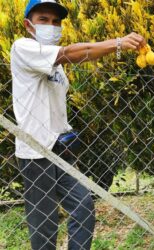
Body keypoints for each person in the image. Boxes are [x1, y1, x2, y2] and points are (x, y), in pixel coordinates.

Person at [10, 0, 146, 249]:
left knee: (83, 207)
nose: (51, 26)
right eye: (44, 20)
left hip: (61, 149)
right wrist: (117, 44)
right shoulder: (23, 47)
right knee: (45, 225)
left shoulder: (57, 67)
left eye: (56, 22)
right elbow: (71, 53)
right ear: (28, 25)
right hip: (35, 152)